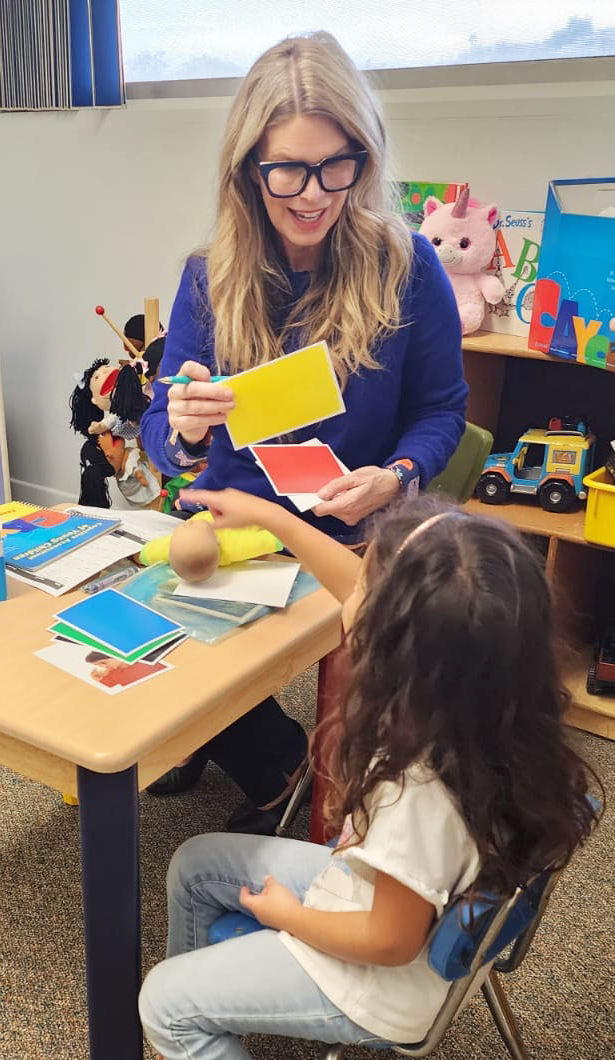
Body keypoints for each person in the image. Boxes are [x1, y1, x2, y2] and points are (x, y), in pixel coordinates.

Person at [74, 488, 598, 1060]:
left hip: (378, 976)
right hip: (379, 897)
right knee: (197, 865)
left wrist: (286, 915)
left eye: (372, 585)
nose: (356, 588)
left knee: (163, 1002)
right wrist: (270, 519)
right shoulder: (487, 705)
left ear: (396, 647)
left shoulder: (420, 788)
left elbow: (389, 939)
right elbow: (367, 591)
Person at [140, 32, 469, 831]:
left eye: (337, 164)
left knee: (338, 666)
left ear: (365, 154)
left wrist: (395, 475)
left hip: (350, 529)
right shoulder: (208, 274)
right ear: (247, 166)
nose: (315, 194)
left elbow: (442, 410)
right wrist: (180, 432)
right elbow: (159, 429)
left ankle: (268, 763)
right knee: (152, 633)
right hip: (237, 522)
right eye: (287, 168)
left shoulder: (407, 265)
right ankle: (256, 753)